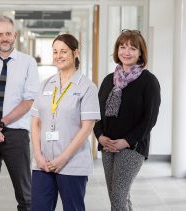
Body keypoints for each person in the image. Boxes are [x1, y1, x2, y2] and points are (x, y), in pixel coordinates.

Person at [30, 34, 101, 211]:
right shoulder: (46, 84)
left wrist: (63, 158)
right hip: (43, 163)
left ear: (75, 53)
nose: (58, 56)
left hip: (72, 163)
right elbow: (36, 122)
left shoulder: (87, 87)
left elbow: (87, 128)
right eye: (55, 52)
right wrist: (38, 155)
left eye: (63, 51)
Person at [0, 15, 39, 211]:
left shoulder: (28, 63)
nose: (4, 38)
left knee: (25, 196)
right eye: (0, 34)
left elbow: (28, 101)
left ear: (15, 35)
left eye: (8, 34)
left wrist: (0, 124)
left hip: (16, 135)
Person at [93, 29, 161, 210]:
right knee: (119, 198)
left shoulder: (148, 81)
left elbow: (150, 118)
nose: (126, 52)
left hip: (132, 147)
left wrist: (126, 141)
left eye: (132, 48)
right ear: (117, 51)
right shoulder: (109, 80)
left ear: (140, 53)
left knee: (118, 198)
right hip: (107, 146)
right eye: (122, 47)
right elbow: (96, 112)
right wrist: (99, 136)